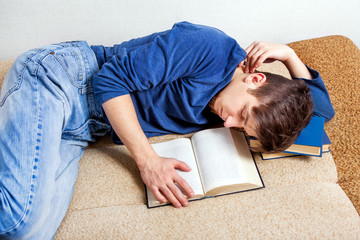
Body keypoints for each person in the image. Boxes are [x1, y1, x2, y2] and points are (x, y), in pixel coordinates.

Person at [0, 21, 334, 239]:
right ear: (255, 77)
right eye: (243, 113)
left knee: (29, 234)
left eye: (243, 129)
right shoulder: (209, 47)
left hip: (80, 128)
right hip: (60, 79)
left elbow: (320, 119)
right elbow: (108, 80)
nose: (230, 125)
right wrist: (148, 161)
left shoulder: (231, 113)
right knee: (17, 219)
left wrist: (290, 57)